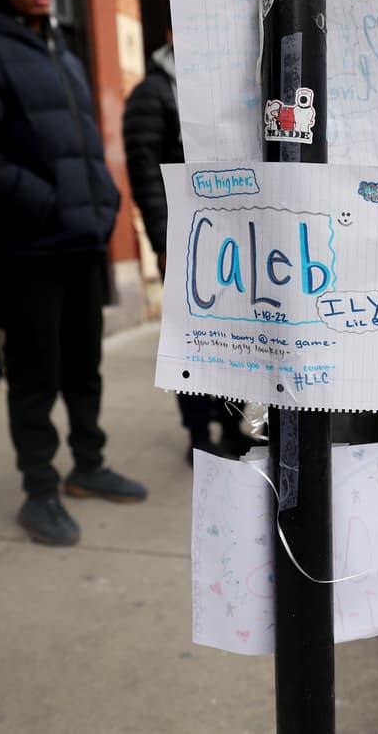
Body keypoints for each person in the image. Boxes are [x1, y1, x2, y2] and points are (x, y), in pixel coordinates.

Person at [0, 0, 146, 547]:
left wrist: (104, 203)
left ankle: (88, 465)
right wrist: (44, 201)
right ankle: (40, 491)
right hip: (30, 248)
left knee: (85, 367)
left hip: (82, 240)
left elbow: (81, 145)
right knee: (36, 376)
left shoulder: (64, 52)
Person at [122, 30, 257, 465]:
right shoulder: (153, 92)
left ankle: (232, 424)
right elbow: (145, 174)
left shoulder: (226, 85)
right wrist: (164, 239)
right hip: (185, 235)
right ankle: (198, 431)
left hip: (233, 234)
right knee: (193, 337)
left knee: (234, 335)